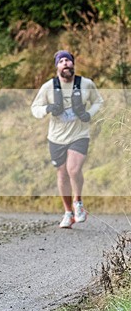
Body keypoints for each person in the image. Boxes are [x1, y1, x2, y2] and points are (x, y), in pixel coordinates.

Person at [31, 50, 103, 228]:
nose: (65, 63)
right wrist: (47, 109)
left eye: (68, 60)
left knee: (73, 169)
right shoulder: (49, 87)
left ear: (73, 64)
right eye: (61, 61)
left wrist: (89, 114)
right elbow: (35, 108)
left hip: (79, 135)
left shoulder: (85, 84)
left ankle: (78, 203)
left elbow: (98, 101)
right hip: (56, 137)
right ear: (57, 66)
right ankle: (68, 213)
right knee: (62, 174)